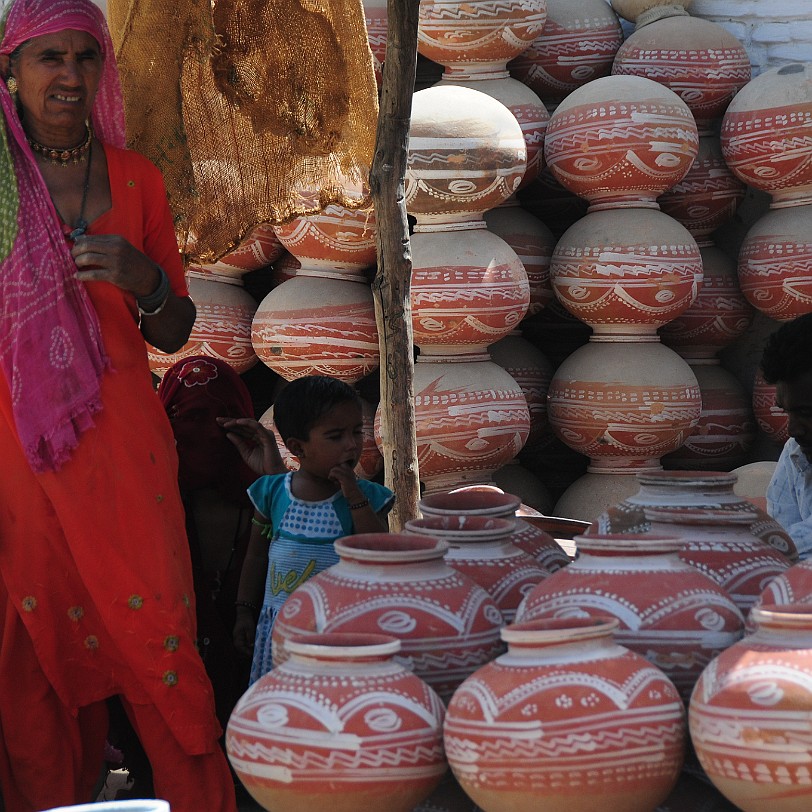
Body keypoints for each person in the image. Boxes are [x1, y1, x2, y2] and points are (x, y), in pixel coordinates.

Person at [0, 2, 236, 810]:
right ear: (10, 69)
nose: (69, 75)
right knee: (29, 648)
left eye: (84, 57)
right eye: (47, 59)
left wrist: (146, 281)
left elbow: (175, 330)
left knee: (157, 632)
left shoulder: (136, 178)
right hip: (17, 453)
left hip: (124, 446)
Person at [233, 375, 394, 682]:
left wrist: (354, 497)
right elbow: (255, 557)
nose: (352, 444)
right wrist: (244, 610)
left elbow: (379, 552)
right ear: (298, 447)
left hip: (340, 629)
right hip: (280, 629)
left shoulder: (367, 496)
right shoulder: (273, 492)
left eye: (357, 432)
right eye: (335, 436)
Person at [761, 312, 812, 560]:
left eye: (806, 412)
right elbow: (781, 533)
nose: (793, 430)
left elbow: (780, 550)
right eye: (786, 410)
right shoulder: (797, 452)